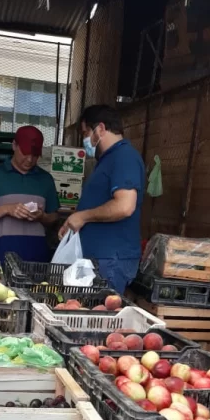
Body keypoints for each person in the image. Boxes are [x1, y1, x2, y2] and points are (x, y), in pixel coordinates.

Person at [58, 104, 145, 294]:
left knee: (100, 318)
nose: (84, 139)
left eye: (85, 132)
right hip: (102, 260)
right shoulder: (108, 159)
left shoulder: (124, 157)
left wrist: (83, 217)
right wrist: (75, 221)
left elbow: (124, 206)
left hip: (111, 261)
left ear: (101, 129)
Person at [0, 125, 60, 262]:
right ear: (14, 145)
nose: (29, 159)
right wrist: (7, 209)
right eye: (25, 153)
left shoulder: (46, 179)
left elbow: (54, 218)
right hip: (3, 257)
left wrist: (42, 216)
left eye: (35, 155)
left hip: (37, 259)